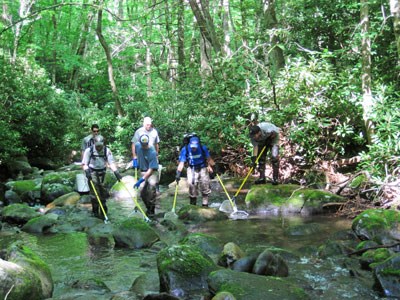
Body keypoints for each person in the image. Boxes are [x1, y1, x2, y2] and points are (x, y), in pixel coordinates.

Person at [82, 135, 122, 219]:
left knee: (103, 192)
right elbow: (84, 164)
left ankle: (104, 210)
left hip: (103, 172)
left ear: (103, 144)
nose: (99, 148)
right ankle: (95, 212)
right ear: (94, 143)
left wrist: (116, 172)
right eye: (97, 146)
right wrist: (86, 171)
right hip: (92, 172)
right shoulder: (89, 151)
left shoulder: (107, 151)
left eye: (100, 146)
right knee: (95, 193)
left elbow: (111, 163)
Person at [175, 134, 214, 207]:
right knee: (192, 188)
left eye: (195, 147)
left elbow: (209, 159)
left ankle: (205, 206)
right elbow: (181, 163)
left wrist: (213, 168)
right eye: (192, 147)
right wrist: (178, 173)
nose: (194, 149)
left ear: (198, 144)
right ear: (189, 144)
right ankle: (193, 206)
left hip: (203, 168)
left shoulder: (203, 148)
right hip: (191, 169)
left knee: (205, 187)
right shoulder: (185, 149)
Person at [133, 134, 159, 217]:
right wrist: (134, 158)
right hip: (143, 170)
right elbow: (134, 145)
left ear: (148, 143)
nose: (144, 146)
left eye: (146, 144)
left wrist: (141, 180)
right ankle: (148, 208)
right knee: (142, 193)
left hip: (152, 172)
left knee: (151, 190)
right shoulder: (138, 145)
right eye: (143, 145)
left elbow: (151, 169)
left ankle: (151, 211)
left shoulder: (152, 152)